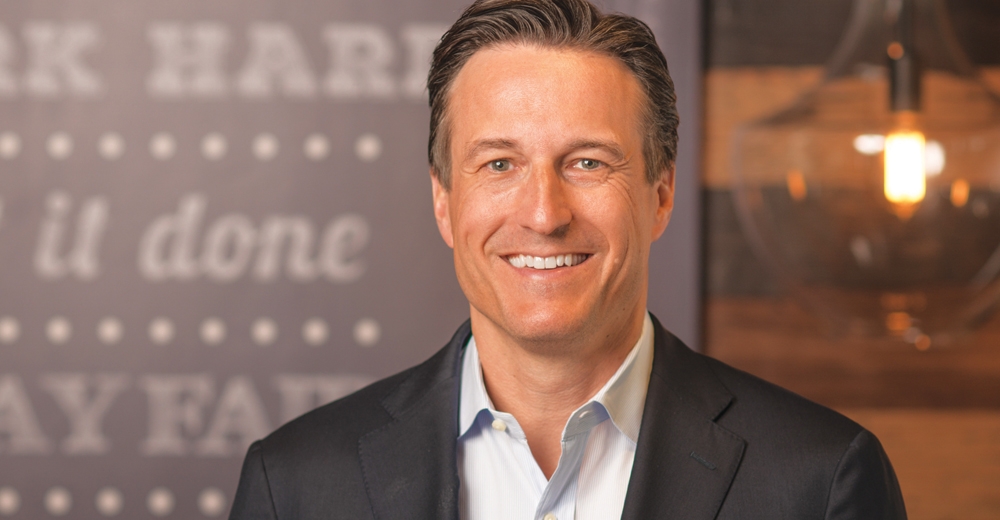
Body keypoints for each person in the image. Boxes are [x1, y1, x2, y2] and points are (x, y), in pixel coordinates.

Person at [229, 0, 907, 518]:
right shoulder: (295, 486)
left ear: (660, 194)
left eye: (587, 162)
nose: (545, 214)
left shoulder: (819, 481)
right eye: (500, 163)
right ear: (443, 201)